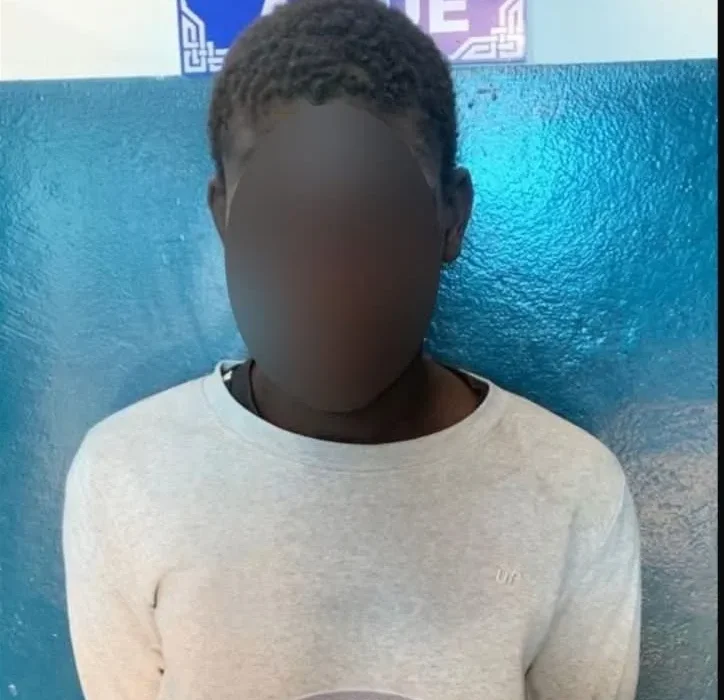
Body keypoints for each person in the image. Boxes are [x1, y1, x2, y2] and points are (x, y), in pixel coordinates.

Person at [62, 1, 641, 699]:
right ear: (224, 217)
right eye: (280, 212)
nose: (327, 279)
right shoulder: (126, 474)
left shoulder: (570, 490)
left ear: (450, 216)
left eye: (375, 211)